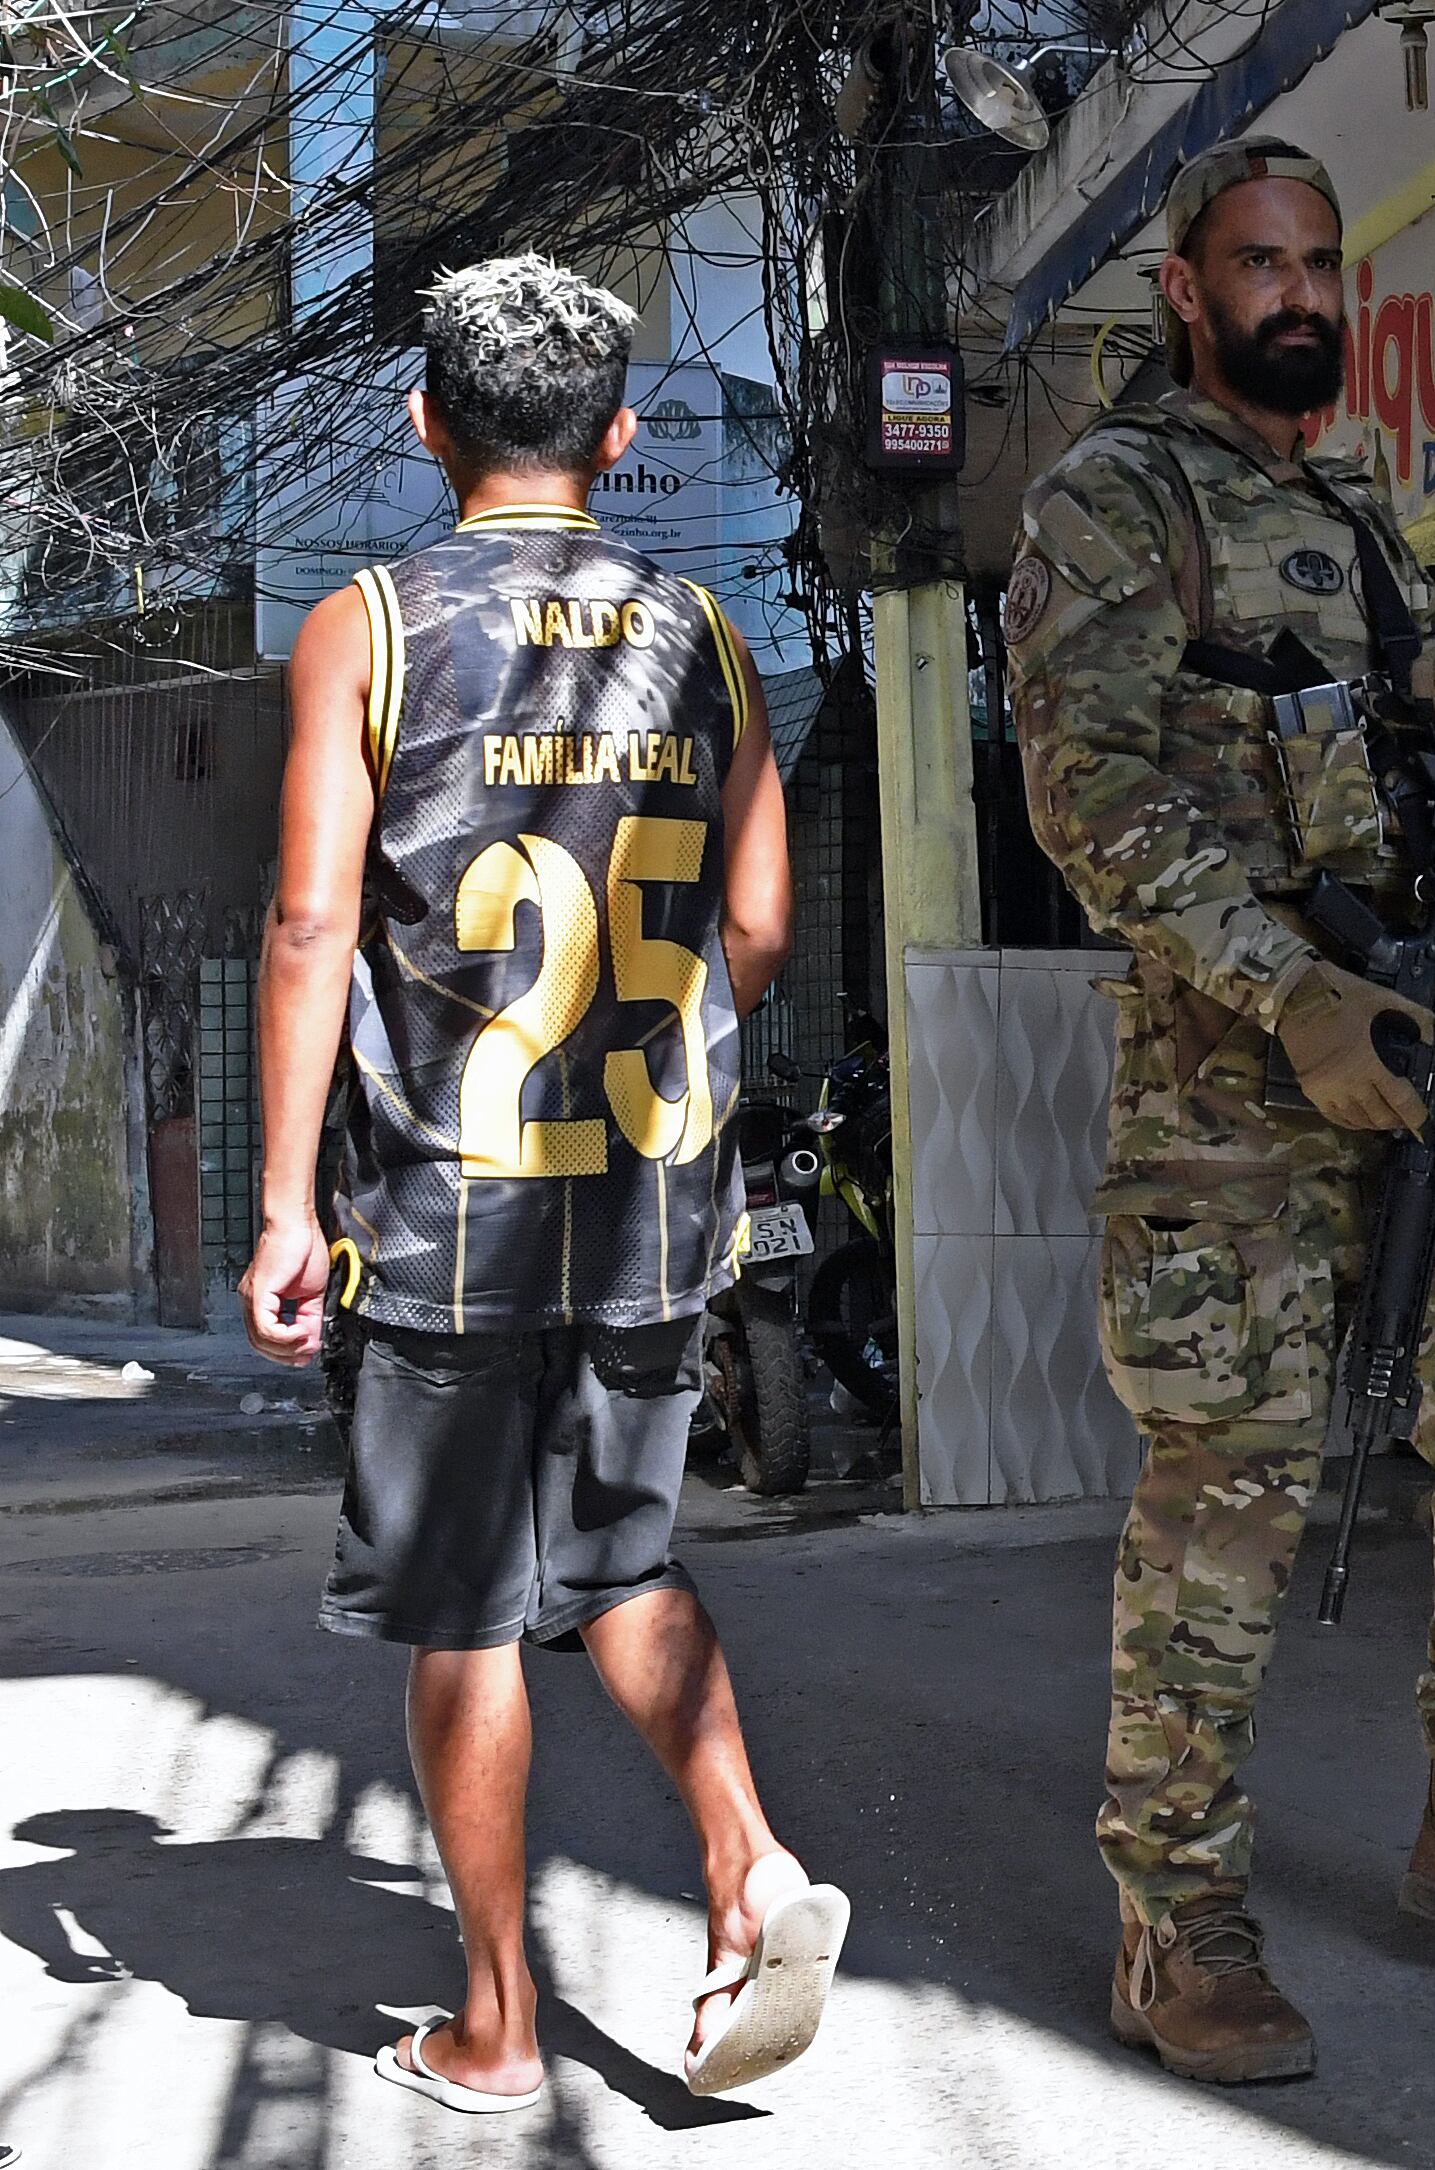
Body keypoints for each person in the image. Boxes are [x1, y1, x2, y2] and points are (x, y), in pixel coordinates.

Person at [1005, 139, 1435, 2087]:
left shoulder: (1362, 511)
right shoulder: (1112, 500)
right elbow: (1086, 794)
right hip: (1234, 1074)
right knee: (1233, 1483)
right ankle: (1175, 1912)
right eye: (1257, 262)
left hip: (1413, 1051)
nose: (1296, 291)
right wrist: (1281, 983)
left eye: (1319, 258)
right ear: (1189, 292)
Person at [239, 254, 844, 2112]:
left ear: (426, 424)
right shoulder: (708, 633)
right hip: (651, 1203)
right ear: (622, 434)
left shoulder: (371, 627)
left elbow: (311, 921)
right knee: (626, 1561)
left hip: (444, 1213)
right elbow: (755, 931)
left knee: (465, 1608)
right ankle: (745, 1862)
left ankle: (498, 2027)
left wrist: (286, 1207)